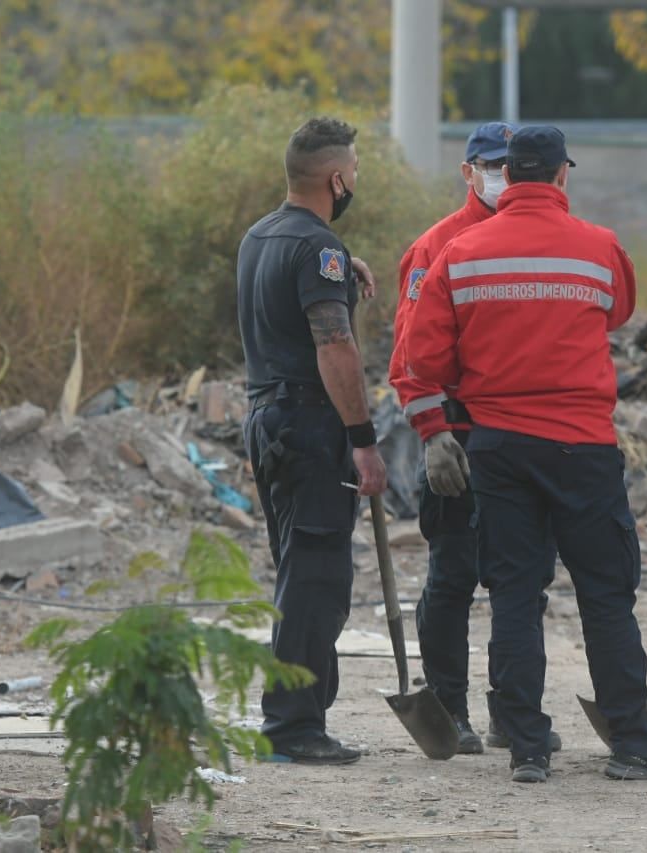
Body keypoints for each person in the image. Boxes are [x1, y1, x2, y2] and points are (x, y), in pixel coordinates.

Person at [408, 125, 647, 783]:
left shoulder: (460, 254)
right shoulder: (600, 248)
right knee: (605, 594)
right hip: (582, 446)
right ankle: (633, 741)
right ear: (563, 175)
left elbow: (423, 358)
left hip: (498, 447)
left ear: (506, 177)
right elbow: (616, 313)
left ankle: (527, 746)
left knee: (514, 592)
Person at [389, 121, 563, 757]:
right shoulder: (436, 246)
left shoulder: (542, 240)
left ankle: (511, 712)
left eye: (505, 164)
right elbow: (409, 356)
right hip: (459, 439)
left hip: (523, 437)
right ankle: (448, 708)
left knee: (523, 582)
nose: (499, 175)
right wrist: (433, 434)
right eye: (488, 165)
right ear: (469, 172)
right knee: (454, 576)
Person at [237, 116, 388, 765]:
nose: (355, 179)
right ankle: (292, 726)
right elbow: (334, 345)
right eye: (353, 170)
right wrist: (363, 438)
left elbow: (290, 287)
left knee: (298, 569)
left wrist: (339, 266)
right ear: (335, 179)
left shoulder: (260, 236)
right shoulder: (318, 248)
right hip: (308, 425)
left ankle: (302, 713)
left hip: (267, 421)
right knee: (317, 577)